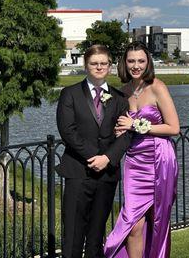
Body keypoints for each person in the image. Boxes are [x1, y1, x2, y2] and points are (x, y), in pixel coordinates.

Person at [104, 41, 180, 258]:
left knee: (157, 218)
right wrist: (120, 131)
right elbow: (125, 126)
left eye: (140, 61)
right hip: (134, 162)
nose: (136, 65)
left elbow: (174, 128)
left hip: (159, 159)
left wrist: (135, 125)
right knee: (132, 223)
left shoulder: (157, 87)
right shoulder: (125, 91)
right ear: (124, 63)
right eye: (131, 61)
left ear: (148, 63)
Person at [56, 44, 132, 258]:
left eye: (103, 63)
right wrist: (94, 157)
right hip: (78, 171)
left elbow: (126, 134)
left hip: (107, 175)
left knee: (97, 235)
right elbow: (68, 131)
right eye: (94, 63)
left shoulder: (119, 99)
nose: (99, 67)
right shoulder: (69, 94)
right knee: (72, 234)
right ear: (86, 65)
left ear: (109, 66)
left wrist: (107, 158)